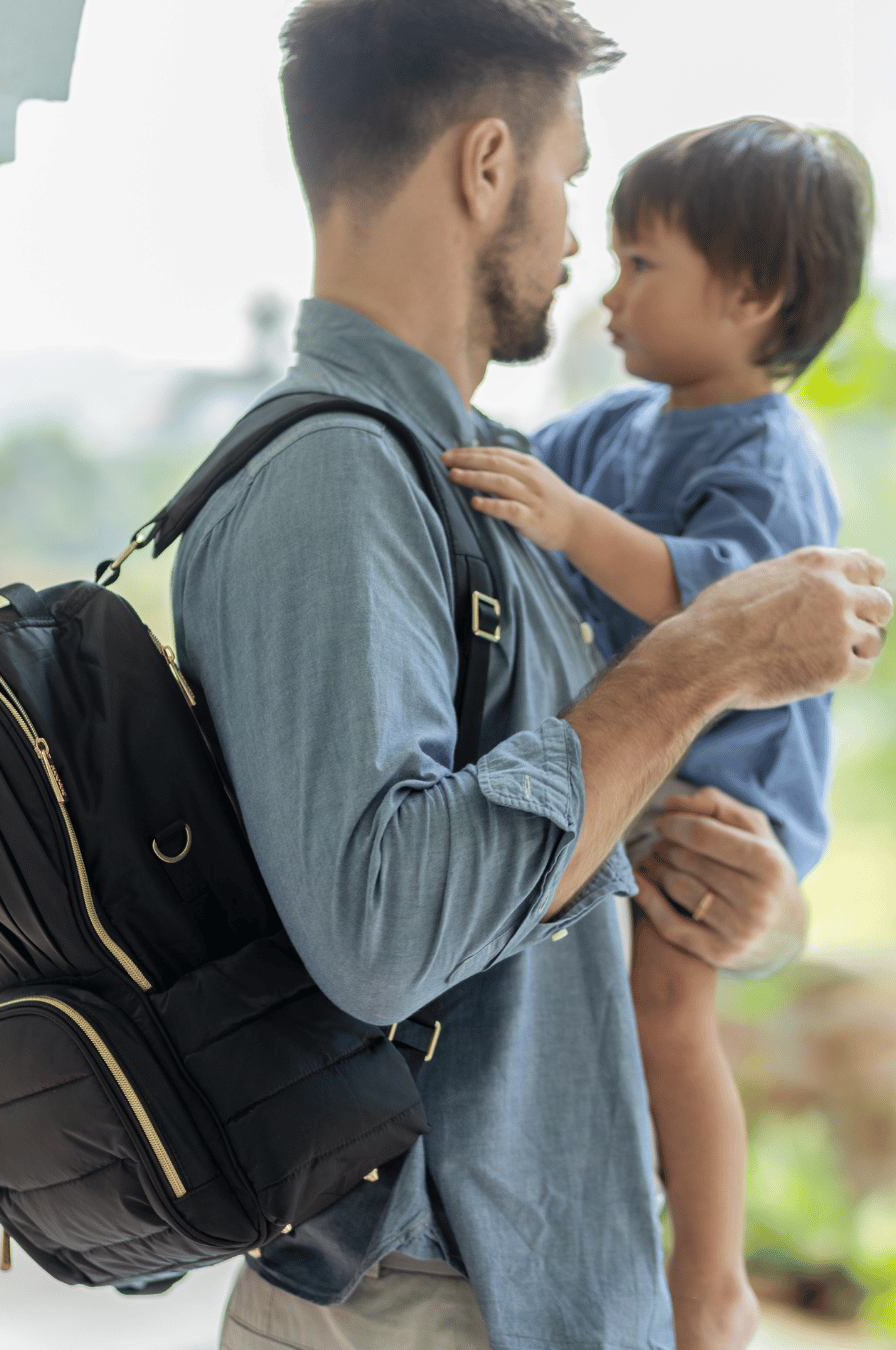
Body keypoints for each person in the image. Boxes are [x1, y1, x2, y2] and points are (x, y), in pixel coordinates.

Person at [168, 3, 892, 1347]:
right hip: (419, 1291)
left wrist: (750, 909)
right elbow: (386, 929)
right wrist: (702, 656)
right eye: (570, 178)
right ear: (486, 165)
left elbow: (547, 863)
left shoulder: (476, 475)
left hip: (510, 1280)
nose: (577, 242)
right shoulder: (337, 487)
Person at [442, 116, 874, 1349]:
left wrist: (572, 526)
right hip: (644, 778)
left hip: (725, 797)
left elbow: (734, 609)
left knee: (668, 1005)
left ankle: (715, 1282)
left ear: (752, 295)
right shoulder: (622, 427)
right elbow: (525, 463)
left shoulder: (767, 446)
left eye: (644, 266)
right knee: (610, 1009)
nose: (610, 292)